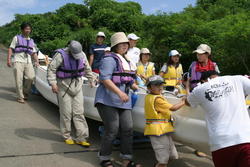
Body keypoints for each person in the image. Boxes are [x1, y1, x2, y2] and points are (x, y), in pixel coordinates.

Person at [94, 32, 141, 167]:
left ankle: (126, 159)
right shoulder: (109, 59)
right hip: (107, 99)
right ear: (115, 46)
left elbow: (127, 78)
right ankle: (104, 158)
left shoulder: (126, 60)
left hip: (123, 100)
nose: (124, 46)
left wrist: (133, 85)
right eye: (121, 44)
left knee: (128, 128)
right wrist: (120, 92)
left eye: (125, 44)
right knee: (112, 129)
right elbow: (105, 79)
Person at [185, 71, 250, 167]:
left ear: (203, 80)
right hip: (245, 139)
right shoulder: (238, 79)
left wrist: (187, 87)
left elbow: (188, 102)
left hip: (221, 143)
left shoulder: (200, 89)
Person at [47, 40, 95, 146]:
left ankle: (81, 137)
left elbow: (87, 68)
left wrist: (91, 78)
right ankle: (67, 135)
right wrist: (53, 83)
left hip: (77, 86)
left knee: (79, 112)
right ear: (70, 50)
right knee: (66, 113)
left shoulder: (82, 54)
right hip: (63, 86)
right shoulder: (60, 55)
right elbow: (51, 69)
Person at [144, 75, 185, 167]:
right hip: (158, 131)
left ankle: (159, 165)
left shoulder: (149, 96)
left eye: (161, 85)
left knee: (171, 154)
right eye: (156, 85)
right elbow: (173, 108)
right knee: (163, 157)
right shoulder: (157, 99)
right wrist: (184, 102)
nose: (160, 87)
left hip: (162, 130)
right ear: (149, 87)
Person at [7, 22, 39, 104]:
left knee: (31, 77)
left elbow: (33, 52)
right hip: (18, 60)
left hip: (28, 61)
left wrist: (37, 61)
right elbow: (11, 48)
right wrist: (9, 59)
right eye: (26, 29)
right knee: (19, 79)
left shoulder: (31, 41)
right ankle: (20, 97)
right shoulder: (16, 38)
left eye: (29, 29)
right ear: (22, 30)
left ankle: (25, 92)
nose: (28, 30)